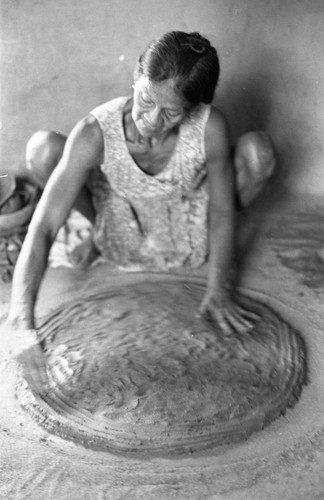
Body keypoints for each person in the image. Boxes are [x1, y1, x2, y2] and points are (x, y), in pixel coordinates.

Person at [8, 31, 275, 393]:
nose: (152, 119)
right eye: (146, 99)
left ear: (193, 108)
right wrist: (21, 319)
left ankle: (171, 253)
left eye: (171, 112)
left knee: (259, 150)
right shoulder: (96, 132)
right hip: (122, 226)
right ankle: (98, 236)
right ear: (136, 77)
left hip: (188, 230)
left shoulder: (209, 126)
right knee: (44, 148)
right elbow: (43, 228)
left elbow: (224, 210)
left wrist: (219, 287)